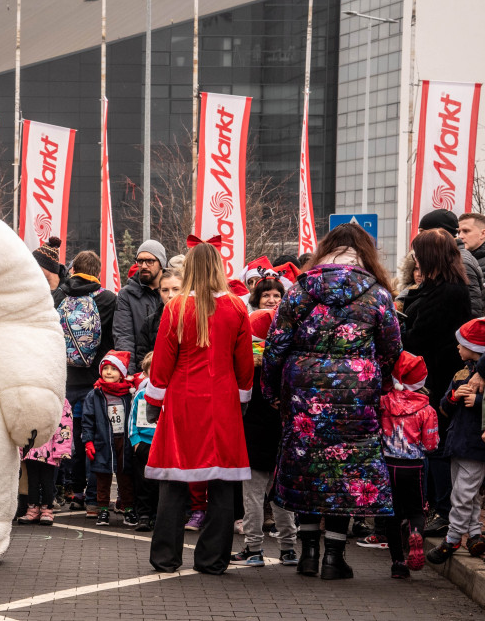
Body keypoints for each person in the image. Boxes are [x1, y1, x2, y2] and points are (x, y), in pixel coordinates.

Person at [262, 223, 402, 580]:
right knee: (346, 470)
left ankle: (309, 554)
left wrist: (271, 390)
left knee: (308, 467)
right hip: (356, 395)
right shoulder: (377, 294)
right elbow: (392, 348)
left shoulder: (299, 291)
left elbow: (275, 346)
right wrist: (378, 380)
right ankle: (334, 558)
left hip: (303, 392)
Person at [143, 240, 253, 575]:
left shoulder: (176, 308)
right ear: (219, 267)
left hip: (183, 400)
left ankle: (166, 557)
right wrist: (243, 398)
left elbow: (162, 362)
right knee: (221, 481)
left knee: (174, 478)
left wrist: (153, 402)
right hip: (223, 401)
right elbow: (244, 364)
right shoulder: (236, 308)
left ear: (188, 268)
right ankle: (212, 559)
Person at [402, 228, 473, 539]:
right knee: (431, 445)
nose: (415, 260)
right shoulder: (434, 288)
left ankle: (443, 511)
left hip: (438, 377)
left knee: (437, 445)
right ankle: (435, 506)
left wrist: (400, 329)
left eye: (419, 254)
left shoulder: (449, 291)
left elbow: (422, 336)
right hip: (429, 375)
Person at [50, 250, 117, 515]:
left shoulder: (59, 296)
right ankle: (93, 497)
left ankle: (69, 490)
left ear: (73, 269)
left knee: (65, 437)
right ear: (97, 273)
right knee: (93, 437)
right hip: (95, 381)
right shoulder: (108, 299)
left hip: (64, 379)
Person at [230, 309, 298, 568]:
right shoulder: (287, 366)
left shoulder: (247, 368)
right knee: (281, 497)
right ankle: (289, 549)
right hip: (283, 438)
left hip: (253, 439)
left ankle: (253, 548)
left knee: (253, 496)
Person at [426, 318, 485, 565]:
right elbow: (443, 407)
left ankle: (452, 538)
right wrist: (453, 396)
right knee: (469, 494)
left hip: (476, 446)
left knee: (462, 494)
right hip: (457, 442)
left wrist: (479, 402)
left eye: (462, 344)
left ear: (475, 348)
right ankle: (474, 534)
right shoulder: (461, 373)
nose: (458, 348)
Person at [377, 351, 439, 578]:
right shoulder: (427, 410)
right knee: (416, 510)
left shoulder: (383, 403)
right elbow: (431, 445)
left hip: (387, 465)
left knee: (391, 514)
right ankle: (415, 533)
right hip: (413, 466)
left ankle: (398, 564)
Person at [82, 350, 136, 527]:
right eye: (105, 368)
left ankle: (128, 509)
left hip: (124, 441)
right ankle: (103, 510)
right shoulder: (95, 394)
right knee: (102, 477)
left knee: (126, 476)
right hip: (103, 441)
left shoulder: (129, 394)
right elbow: (87, 420)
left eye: (113, 369)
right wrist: (88, 441)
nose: (108, 372)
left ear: (122, 373)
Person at [417, 209, 483, 316]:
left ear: (439, 234)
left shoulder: (461, 261)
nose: (419, 237)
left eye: (422, 232)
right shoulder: (449, 257)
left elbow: (471, 308)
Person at [17, 399, 72, 526]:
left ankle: (47, 510)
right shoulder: (29, 397)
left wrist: (61, 450)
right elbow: (21, 422)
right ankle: (33, 508)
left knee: (47, 481)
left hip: (50, 450)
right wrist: (21, 445)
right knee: (32, 480)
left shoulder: (59, 400)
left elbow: (65, 423)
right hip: (31, 448)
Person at [114, 240, 167, 369]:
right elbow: (124, 336)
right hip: (140, 370)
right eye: (140, 261)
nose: (143, 266)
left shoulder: (174, 290)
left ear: (161, 263)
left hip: (169, 368)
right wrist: (130, 372)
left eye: (149, 261)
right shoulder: (126, 294)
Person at [128, 352, 158, 531]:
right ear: (146, 373)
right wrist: (136, 442)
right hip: (144, 444)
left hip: (162, 444)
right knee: (143, 482)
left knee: (160, 483)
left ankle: (157, 516)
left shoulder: (171, 393)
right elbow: (132, 420)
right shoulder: (141, 394)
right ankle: (144, 516)